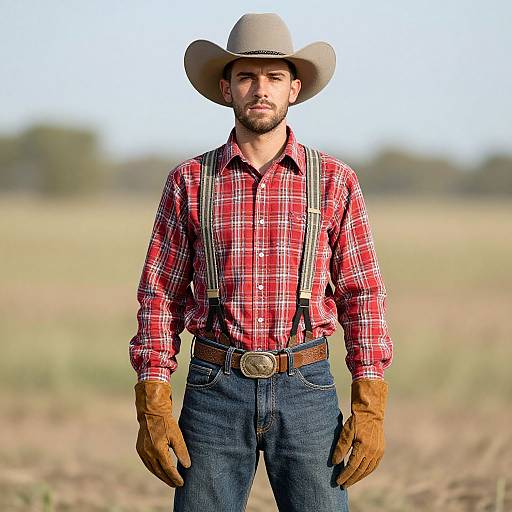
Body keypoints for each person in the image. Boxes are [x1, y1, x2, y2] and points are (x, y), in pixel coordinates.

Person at [129, 12, 393, 512]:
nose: (260, 89)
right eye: (247, 77)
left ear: (294, 89)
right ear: (226, 88)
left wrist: (370, 402)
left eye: (273, 77)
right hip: (213, 387)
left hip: (308, 386)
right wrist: (153, 400)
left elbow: (363, 296)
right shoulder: (189, 181)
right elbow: (159, 296)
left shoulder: (334, 181)